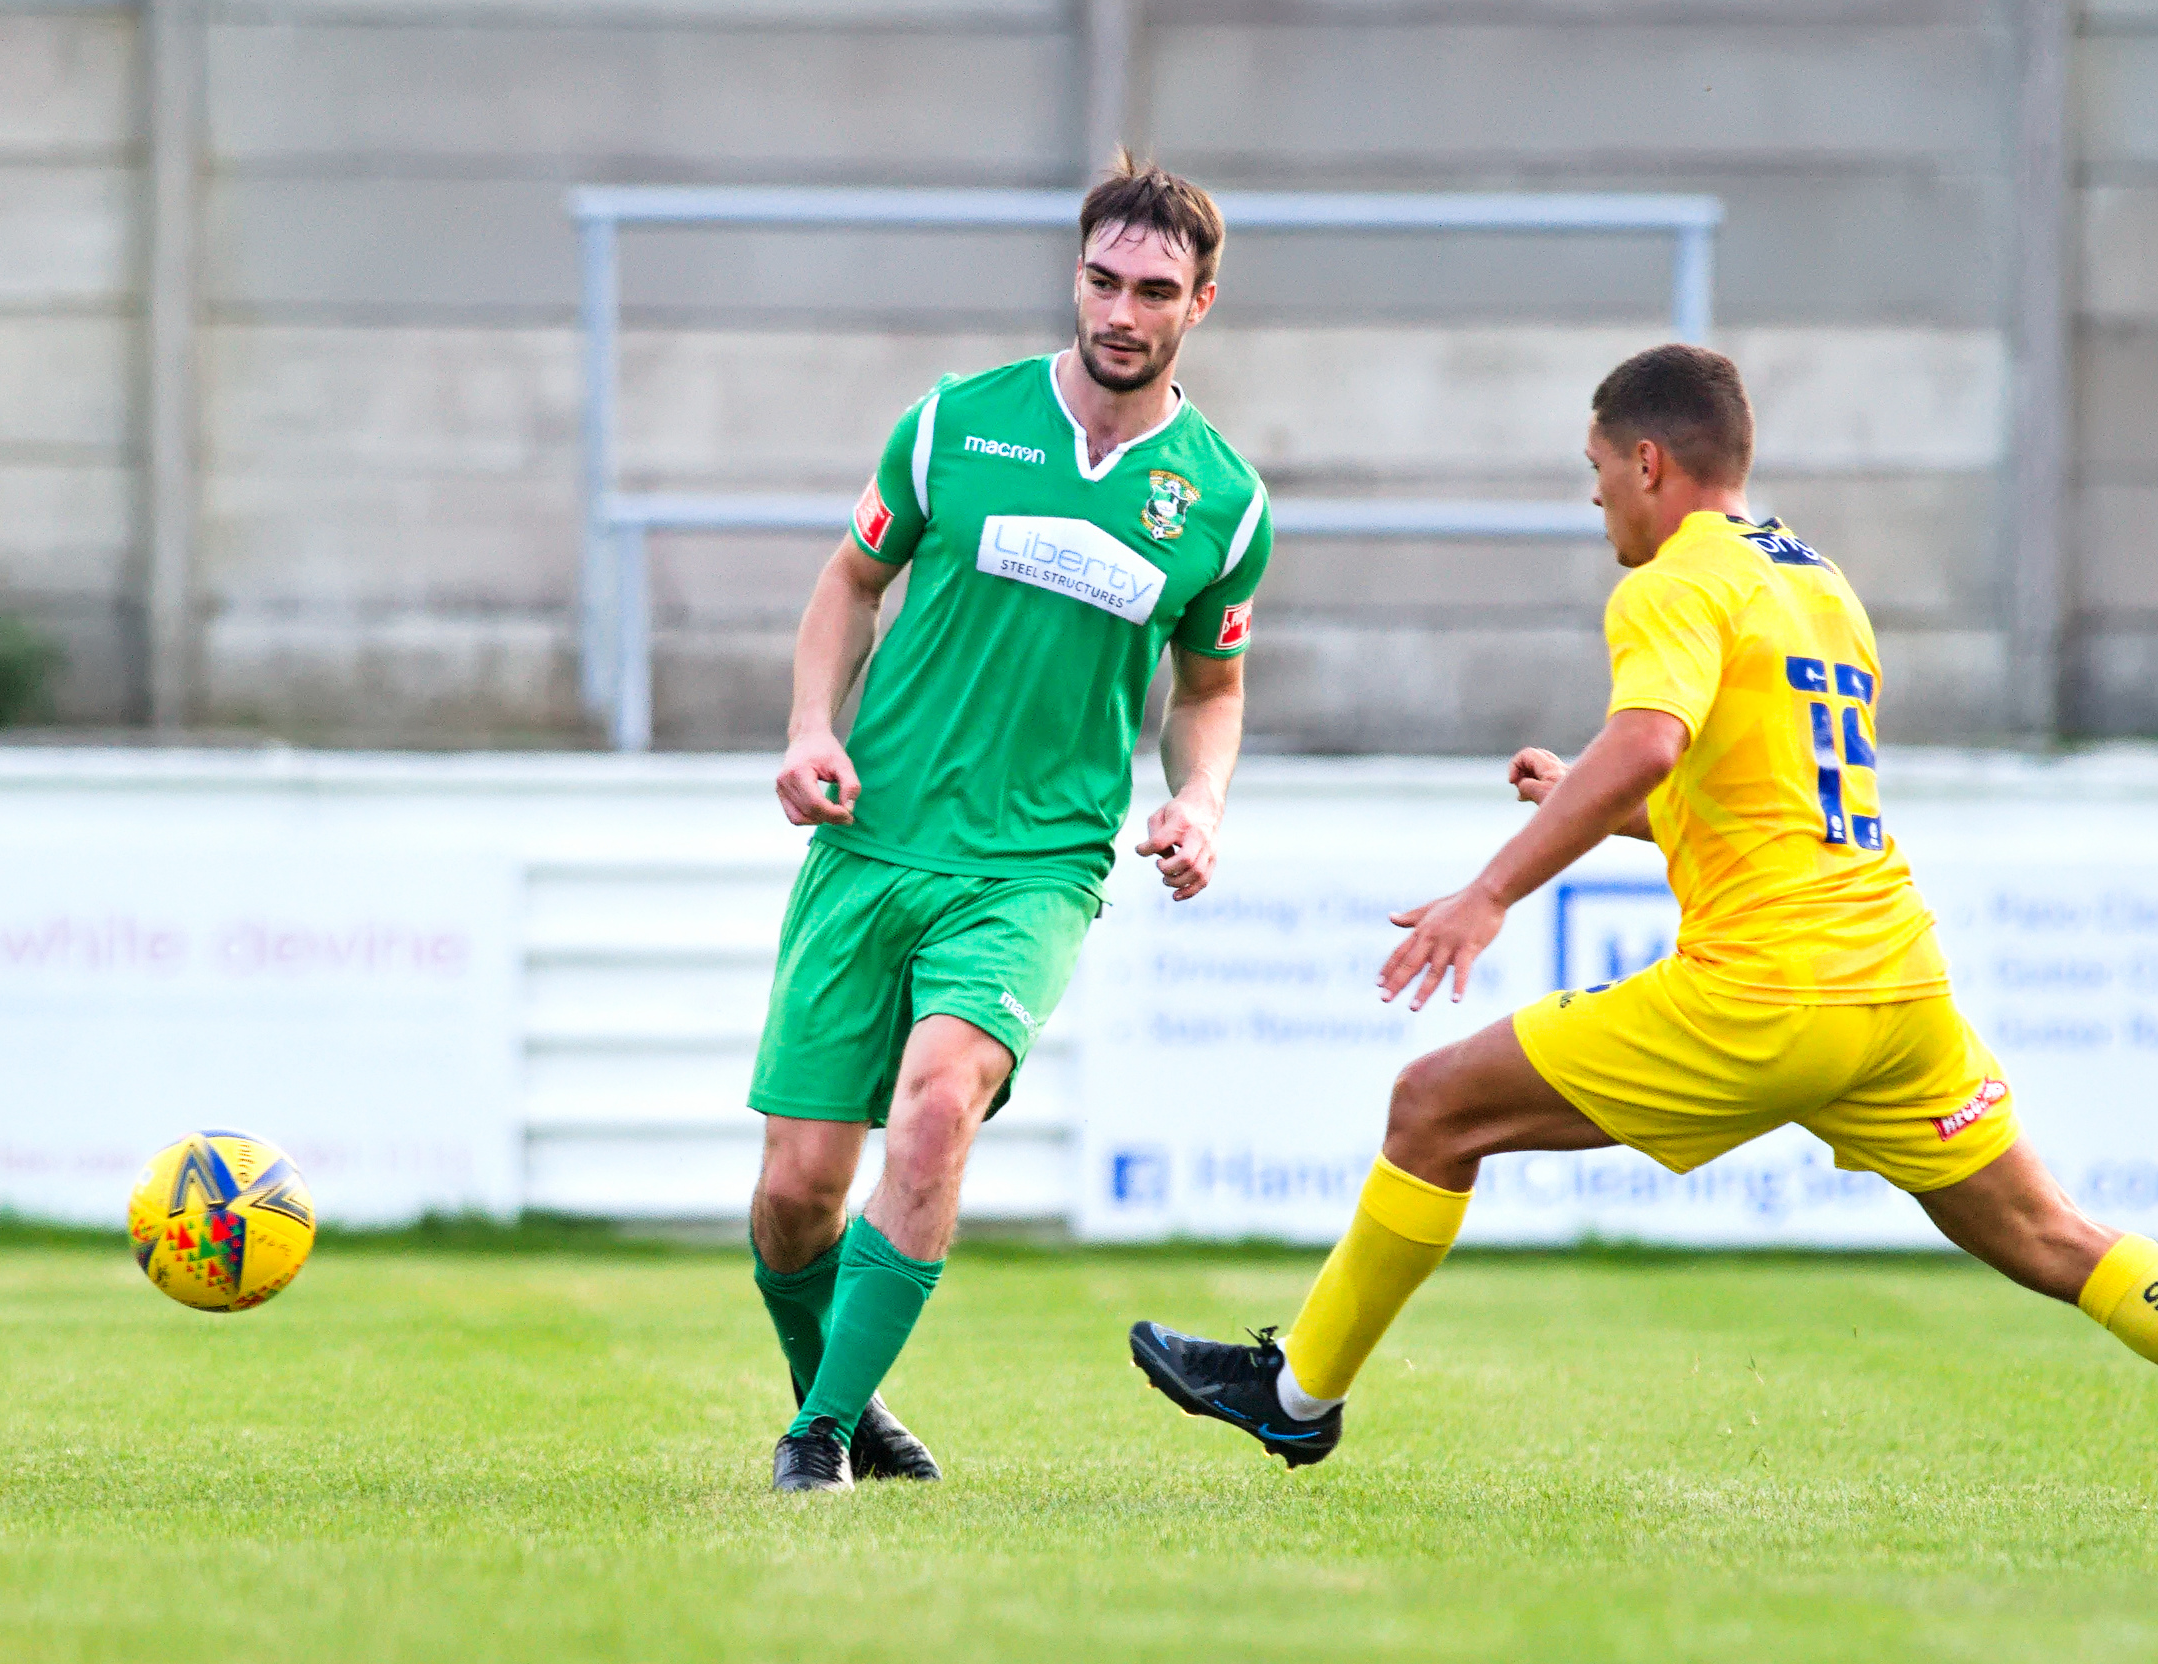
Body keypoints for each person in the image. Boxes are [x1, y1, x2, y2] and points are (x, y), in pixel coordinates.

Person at [1131, 343, 2158, 1467]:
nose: (1593, 493)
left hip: (1765, 990)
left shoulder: (1668, 581)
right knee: (2058, 1237)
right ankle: (1294, 1390)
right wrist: (1584, 791)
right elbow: (1751, 799)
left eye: (1597, 466)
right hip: (1897, 988)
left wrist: (1488, 891)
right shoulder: (1817, 581)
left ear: (1650, 462)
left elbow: (1648, 744)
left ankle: (1296, 1393)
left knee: (1432, 1107)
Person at [751, 153, 1274, 1492]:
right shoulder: (950, 425)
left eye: (1153, 289)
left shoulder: (1220, 503)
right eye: (1102, 278)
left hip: (1033, 869)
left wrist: (1199, 802)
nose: (1120, 308)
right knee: (799, 1192)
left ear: (1199, 303)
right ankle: (844, 1390)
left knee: (936, 1113)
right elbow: (849, 581)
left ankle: (815, 1440)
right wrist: (812, 725)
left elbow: (1209, 689)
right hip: (872, 839)